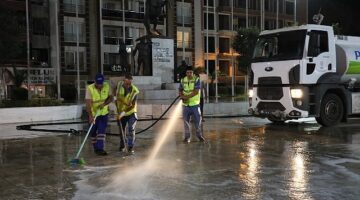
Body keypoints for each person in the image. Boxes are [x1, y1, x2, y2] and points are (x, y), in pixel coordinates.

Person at [85, 73, 113, 156]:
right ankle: (96, 148)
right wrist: (90, 116)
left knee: (101, 130)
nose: (99, 85)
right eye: (98, 84)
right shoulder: (90, 88)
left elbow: (111, 98)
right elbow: (88, 103)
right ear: (95, 81)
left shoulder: (107, 86)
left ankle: (100, 148)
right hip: (93, 113)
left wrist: (104, 104)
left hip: (104, 113)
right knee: (93, 132)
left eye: (101, 84)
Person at [179, 66, 206, 143]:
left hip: (195, 105)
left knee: (198, 121)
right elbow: (180, 89)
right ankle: (187, 137)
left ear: (193, 73)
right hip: (185, 105)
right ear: (186, 73)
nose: (189, 74)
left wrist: (186, 97)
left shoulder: (196, 79)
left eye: (191, 72)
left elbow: (196, 92)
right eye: (188, 72)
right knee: (186, 122)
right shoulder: (183, 80)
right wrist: (181, 96)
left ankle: (199, 135)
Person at [114, 73, 140, 153]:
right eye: (126, 83)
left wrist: (122, 113)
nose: (128, 85)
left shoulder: (135, 91)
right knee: (121, 129)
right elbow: (115, 91)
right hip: (120, 111)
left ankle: (130, 147)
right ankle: (122, 145)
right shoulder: (119, 84)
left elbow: (132, 106)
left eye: (130, 83)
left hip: (131, 112)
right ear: (124, 80)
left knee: (131, 129)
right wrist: (115, 98)